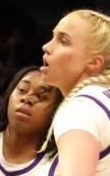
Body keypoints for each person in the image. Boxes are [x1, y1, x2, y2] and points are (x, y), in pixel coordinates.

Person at [40, 9, 110, 175]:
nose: (46, 47)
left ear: (94, 62)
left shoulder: (81, 109)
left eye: (63, 41)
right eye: (53, 37)